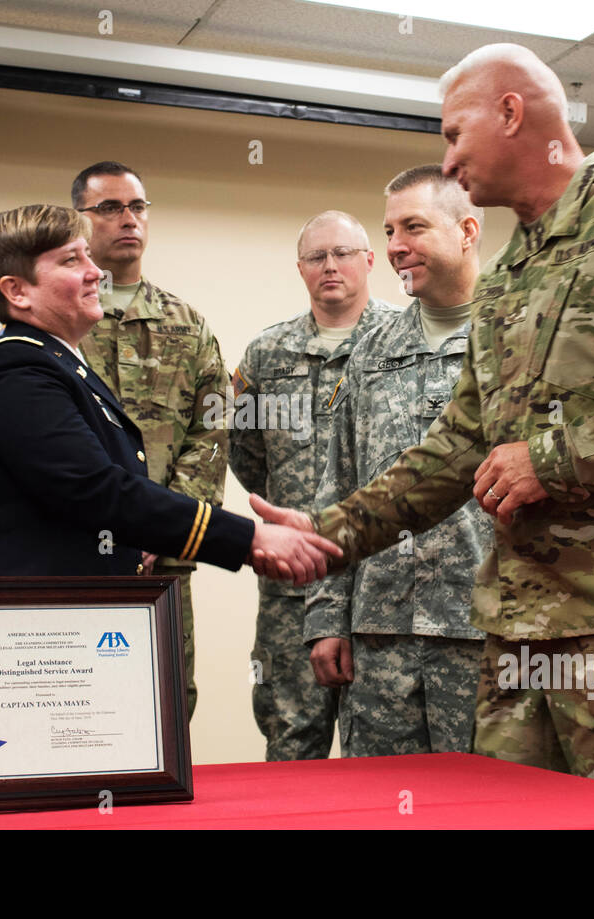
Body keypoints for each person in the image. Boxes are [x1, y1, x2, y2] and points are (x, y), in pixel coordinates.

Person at [253, 43, 594, 809]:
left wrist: (557, 458)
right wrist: (329, 532)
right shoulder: (508, 278)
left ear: (510, 112)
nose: (449, 158)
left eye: (454, 134)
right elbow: (458, 445)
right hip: (525, 631)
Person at [0, 203, 340, 587]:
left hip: (73, 616)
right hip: (35, 629)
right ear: (17, 291)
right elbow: (97, 490)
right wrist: (250, 538)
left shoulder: (57, 364)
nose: (95, 273)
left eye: (88, 255)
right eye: (72, 260)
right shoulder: (16, 372)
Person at [306, 166, 493, 756]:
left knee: (493, 809)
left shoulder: (517, 337)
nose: (394, 247)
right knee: (381, 807)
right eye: (388, 231)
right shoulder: (371, 348)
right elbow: (335, 485)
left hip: (485, 630)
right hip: (379, 630)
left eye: (413, 226)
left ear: (466, 230)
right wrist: (327, 617)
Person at [229, 210, 402, 761]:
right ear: (300, 269)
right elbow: (246, 456)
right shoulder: (266, 355)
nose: (331, 266)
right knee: (291, 737)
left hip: (384, 578)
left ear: (370, 261)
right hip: (295, 583)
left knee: (383, 748)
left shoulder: (404, 343)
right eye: (316, 257)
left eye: (344, 253)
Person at [72, 161, 228, 719]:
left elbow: (211, 433)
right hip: (71, 555)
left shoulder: (187, 325)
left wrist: (165, 524)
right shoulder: (55, 318)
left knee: (164, 706)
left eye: (137, 207)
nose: (127, 219)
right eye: (109, 208)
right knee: (69, 706)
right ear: (80, 220)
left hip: (161, 562)